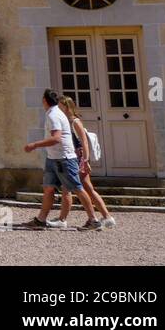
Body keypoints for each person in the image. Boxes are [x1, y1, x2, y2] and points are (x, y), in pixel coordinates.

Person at [23, 88, 101, 230]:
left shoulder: (54, 115)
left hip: (64, 159)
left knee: (77, 188)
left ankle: (93, 220)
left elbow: (56, 138)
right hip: (53, 158)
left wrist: (34, 145)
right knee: (48, 188)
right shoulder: (54, 113)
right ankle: (41, 220)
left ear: (45, 101)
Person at [60, 95, 117, 230]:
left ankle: (98, 218)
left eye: (60, 106)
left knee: (81, 188)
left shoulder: (74, 121)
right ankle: (105, 217)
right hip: (73, 157)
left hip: (78, 158)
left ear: (67, 107)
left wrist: (85, 160)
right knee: (80, 188)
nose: (58, 109)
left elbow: (84, 142)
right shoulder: (65, 121)